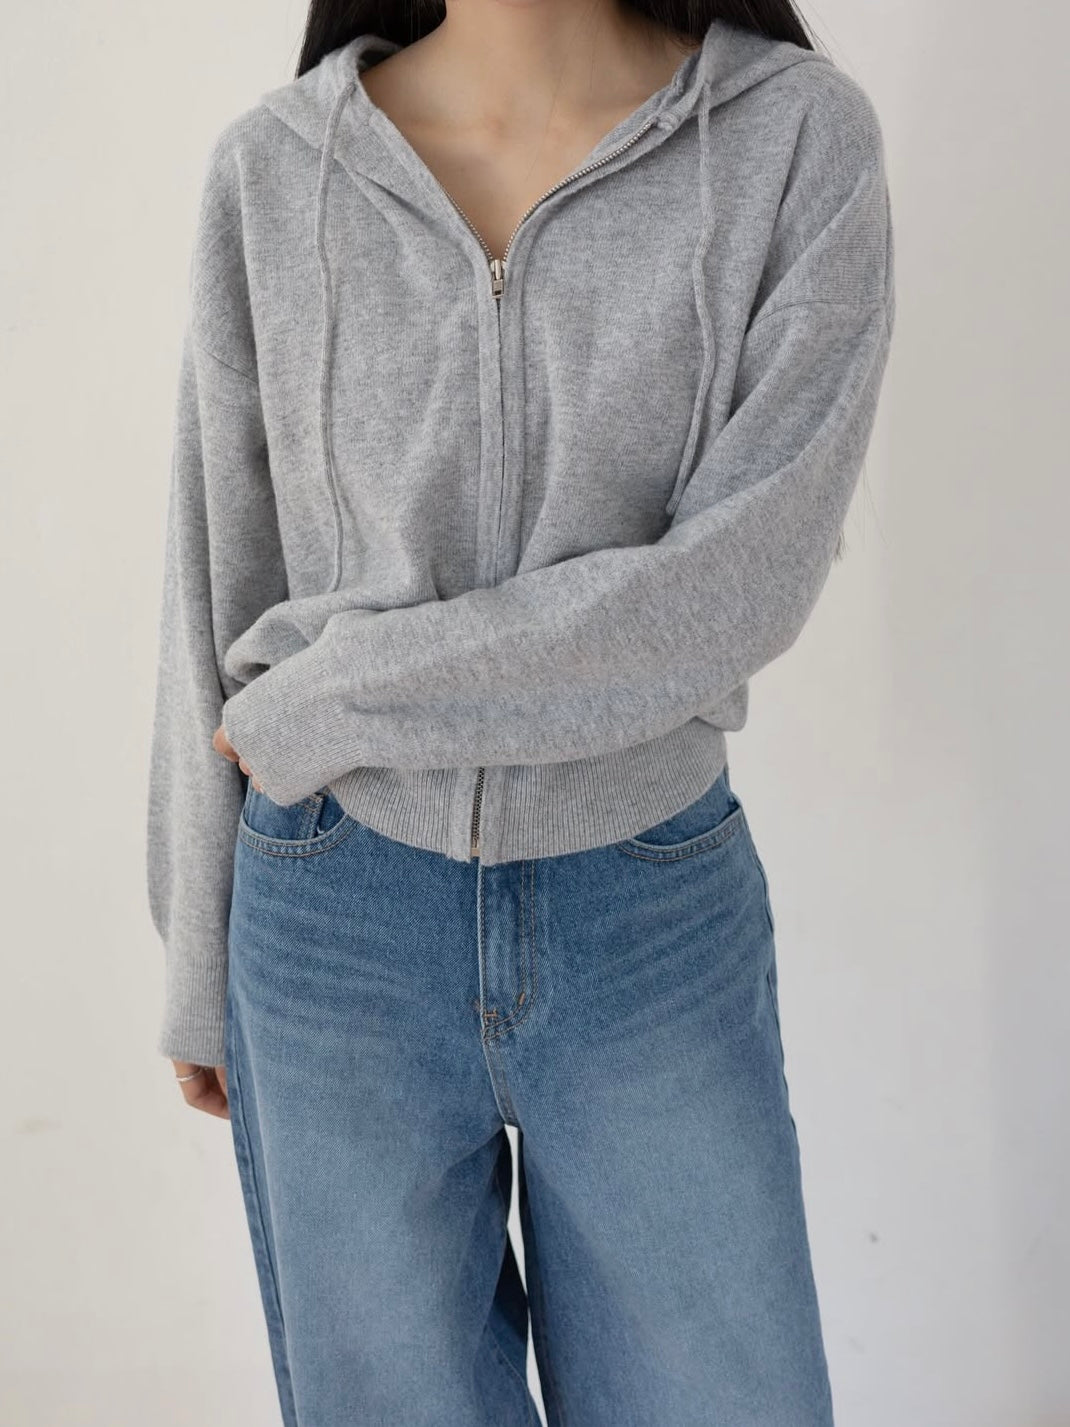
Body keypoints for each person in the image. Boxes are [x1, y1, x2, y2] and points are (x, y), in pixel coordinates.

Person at [145, 0, 894, 1421]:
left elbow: (738, 583)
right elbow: (216, 562)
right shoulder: (277, 167)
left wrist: (342, 693)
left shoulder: (793, 138)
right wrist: (197, 949)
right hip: (332, 919)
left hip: (644, 913)